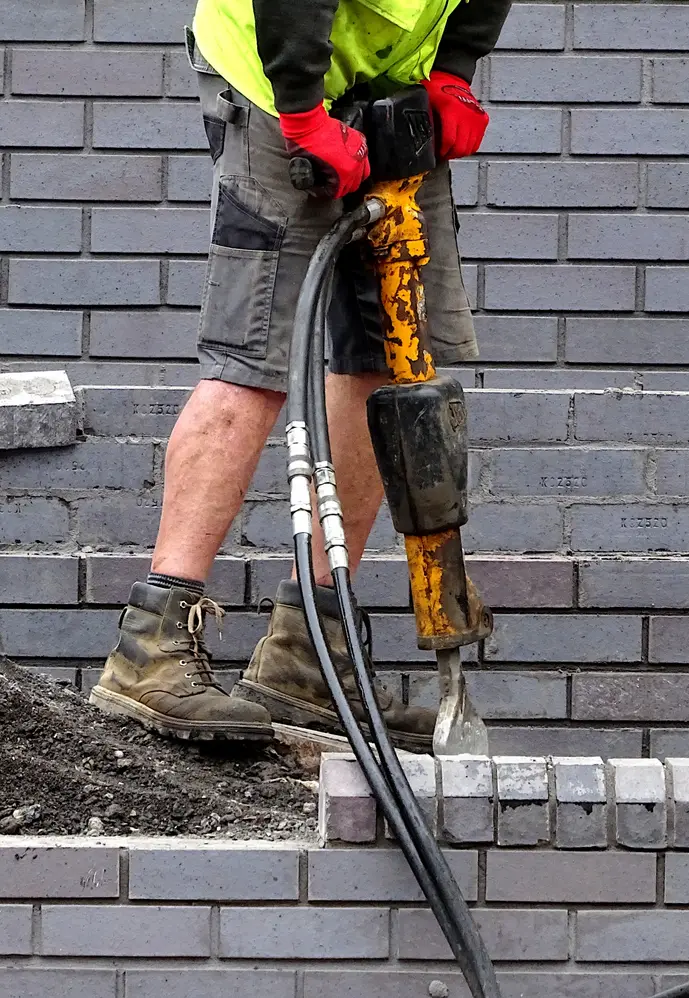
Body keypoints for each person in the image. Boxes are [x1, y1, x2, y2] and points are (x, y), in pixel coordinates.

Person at [89, 0, 512, 752]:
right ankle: (149, 646)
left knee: (389, 360)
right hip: (273, 69)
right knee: (252, 358)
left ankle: (308, 653)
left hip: (389, 79)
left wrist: (453, 70)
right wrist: (302, 111)